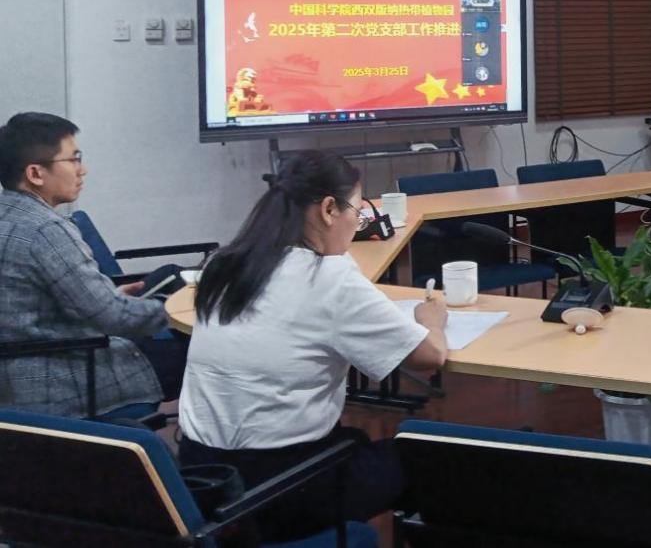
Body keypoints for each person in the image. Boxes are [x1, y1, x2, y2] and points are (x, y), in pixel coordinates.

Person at [178, 151, 448, 541]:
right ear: (328, 209)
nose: (358, 223)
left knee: (356, 444)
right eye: (358, 210)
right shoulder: (328, 277)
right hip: (281, 489)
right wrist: (431, 320)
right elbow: (429, 356)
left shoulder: (223, 264)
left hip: (203, 480)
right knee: (426, 460)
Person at [0, 112, 183, 417]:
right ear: (35, 173)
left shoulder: (9, 214)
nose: (82, 170)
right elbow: (112, 318)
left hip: (20, 369)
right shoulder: (46, 230)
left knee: (172, 275)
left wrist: (112, 298)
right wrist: (178, 313)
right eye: (73, 159)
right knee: (202, 351)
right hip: (65, 376)